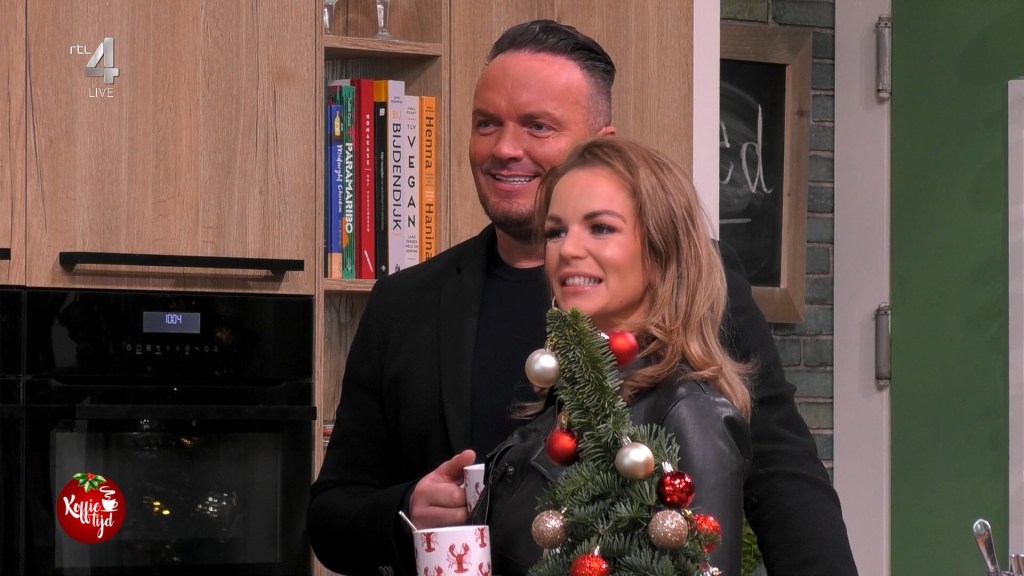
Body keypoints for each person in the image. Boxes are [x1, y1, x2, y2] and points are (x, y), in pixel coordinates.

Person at [307, 19, 858, 576]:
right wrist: (406, 509)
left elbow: (785, 479)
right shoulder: (404, 303)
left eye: (538, 126)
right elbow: (330, 516)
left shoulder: (697, 278)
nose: (505, 148)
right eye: (486, 123)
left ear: (602, 145)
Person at [476, 135, 752, 576]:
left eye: (601, 228)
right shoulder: (573, 400)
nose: (567, 250)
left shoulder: (689, 412)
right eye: (555, 232)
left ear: (661, 253)